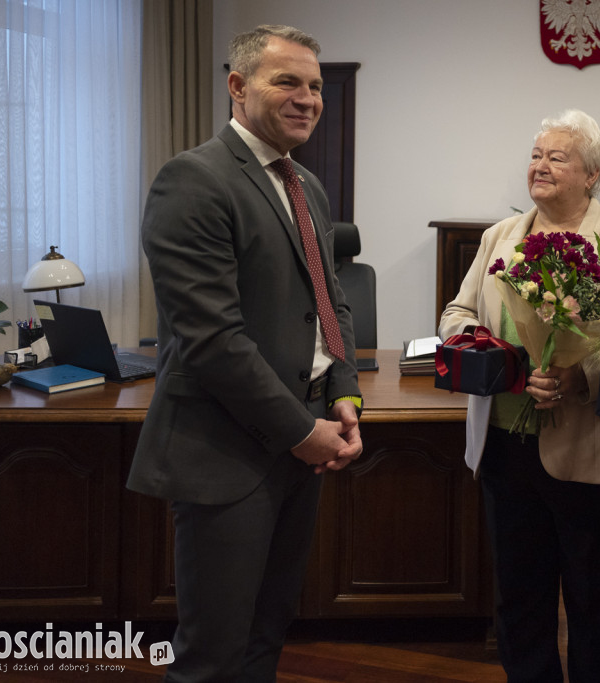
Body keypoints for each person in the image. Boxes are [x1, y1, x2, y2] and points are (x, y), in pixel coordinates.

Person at [127, 25, 363, 682]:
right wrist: (301, 430)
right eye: (287, 81)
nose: (308, 98)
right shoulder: (192, 180)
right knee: (213, 654)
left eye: (314, 85)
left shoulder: (306, 184)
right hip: (226, 453)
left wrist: (344, 391)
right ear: (237, 86)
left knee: (267, 631)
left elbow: (329, 299)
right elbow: (212, 340)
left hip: (305, 439)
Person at [439, 109, 600, 683]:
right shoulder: (500, 237)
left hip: (589, 449)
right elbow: (456, 317)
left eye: (556, 158)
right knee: (519, 600)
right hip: (505, 450)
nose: (539, 166)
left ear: (591, 174)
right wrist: (508, 365)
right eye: (536, 156)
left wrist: (579, 375)